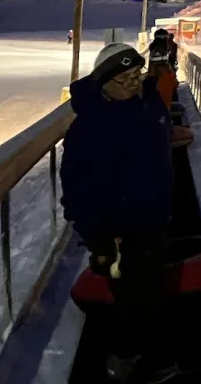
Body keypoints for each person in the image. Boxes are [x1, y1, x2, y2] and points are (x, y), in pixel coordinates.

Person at [61, 43, 174, 383]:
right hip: (119, 229)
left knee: (151, 290)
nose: (132, 84)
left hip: (153, 217)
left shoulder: (146, 104)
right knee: (130, 300)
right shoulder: (88, 128)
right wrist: (96, 236)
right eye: (123, 79)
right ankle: (123, 362)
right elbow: (77, 187)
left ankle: (148, 356)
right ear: (104, 84)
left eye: (136, 76)